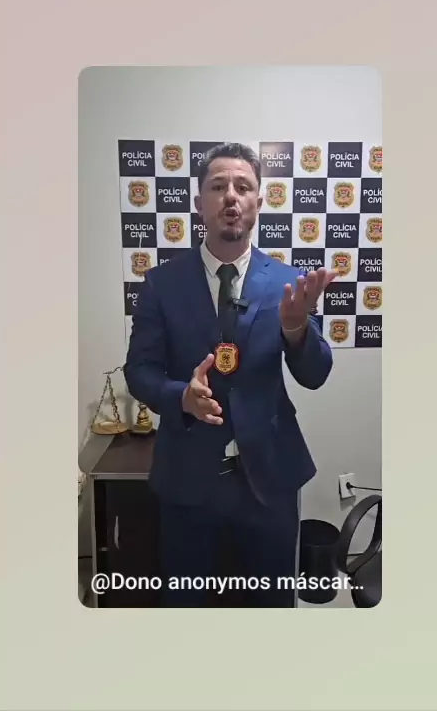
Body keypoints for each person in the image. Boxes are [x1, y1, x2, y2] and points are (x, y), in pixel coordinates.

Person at [124, 142, 336, 607]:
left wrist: (297, 329)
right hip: (188, 482)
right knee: (188, 613)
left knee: (268, 612)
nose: (231, 197)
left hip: (269, 482)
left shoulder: (288, 283)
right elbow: (138, 370)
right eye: (218, 186)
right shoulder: (161, 284)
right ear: (199, 203)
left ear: (259, 202)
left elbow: (316, 374)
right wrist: (181, 397)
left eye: (243, 186)